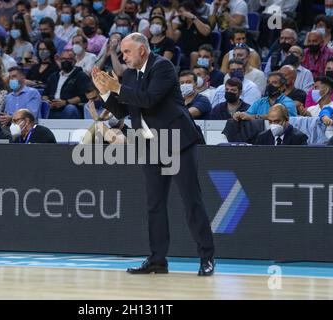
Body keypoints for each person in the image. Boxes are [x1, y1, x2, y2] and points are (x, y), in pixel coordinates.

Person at [92, 33, 215, 276]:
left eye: (127, 52)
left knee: (191, 202)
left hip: (177, 142)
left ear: (142, 51)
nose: (123, 57)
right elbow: (123, 108)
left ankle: (206, 257)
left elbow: (149, 100)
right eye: (122, 53)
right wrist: (104, 92)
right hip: (149, 145)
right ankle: (158, 259)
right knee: (154, 205)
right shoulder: (129, 75)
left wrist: (116, 86)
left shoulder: (163, 67)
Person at [43, 49, 90, 119]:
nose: (66, 61)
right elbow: (44, 94)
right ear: (60, 60)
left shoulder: (81, 76)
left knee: (70, 109)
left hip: (70, 107)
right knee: (42, 107)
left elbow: (84, 96)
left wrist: (65, 102)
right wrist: (48, 102)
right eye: (63, 59)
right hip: (52, 107)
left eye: (69, 59)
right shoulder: (53, 76)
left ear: (75, 61)